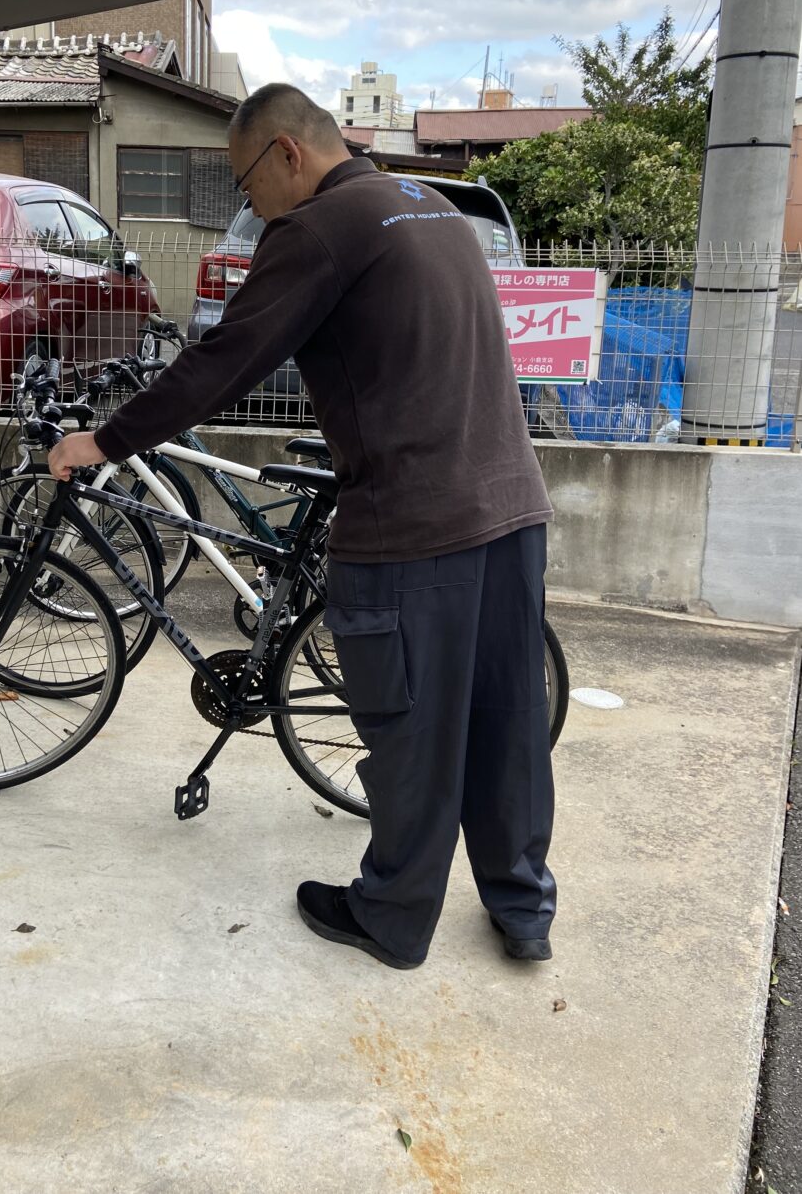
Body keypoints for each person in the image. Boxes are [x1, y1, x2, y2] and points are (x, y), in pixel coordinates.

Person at [47, 83, 556, 971]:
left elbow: (225, 359)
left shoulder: (320, 227)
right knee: (505, 721)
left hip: (412, 526)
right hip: (510, 507)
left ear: (286, 153)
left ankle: (392, 916)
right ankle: (522, 908)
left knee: (410, 731)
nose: (254, 209)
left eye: (248, 185)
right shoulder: (429, 205)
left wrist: (105, 439)